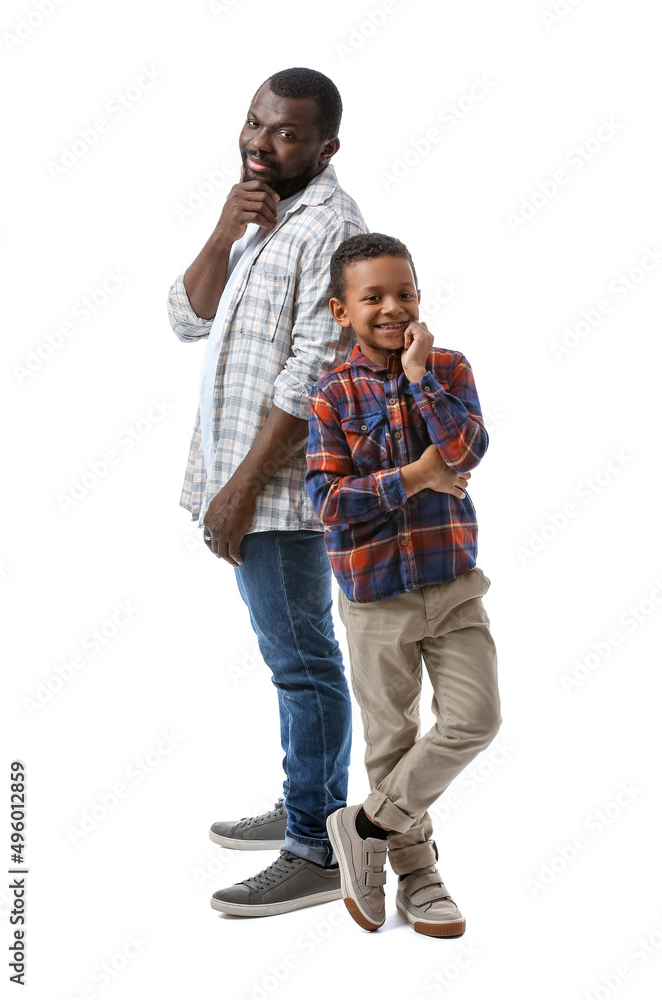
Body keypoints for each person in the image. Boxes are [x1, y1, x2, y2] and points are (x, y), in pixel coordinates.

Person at [167, 68, 366, 916]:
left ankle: (316, 848)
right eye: (254, 123)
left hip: (280, 490)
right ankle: (305, 801)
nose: (259, 141)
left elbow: (315, 367)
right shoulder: (259, 215)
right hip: (239, 477)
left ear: (324, 148)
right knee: (295, 658)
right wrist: (221, 232)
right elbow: (186, 317)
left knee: (304, 666)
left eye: (284, 133)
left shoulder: (330, 227)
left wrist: (241, 488)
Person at [304, 233, 502, 936]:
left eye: (404, 293)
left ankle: (363, 825)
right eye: (373, 297)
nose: (392, 308)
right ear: (339, 309)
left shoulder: (447, 368)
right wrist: (416, 477)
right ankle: (417, 874)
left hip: (452, 583)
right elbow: (327, 503)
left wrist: (420, 379)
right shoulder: (329, 394)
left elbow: (467, 449)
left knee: (474, 720)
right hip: (375, 595)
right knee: (392, 740)